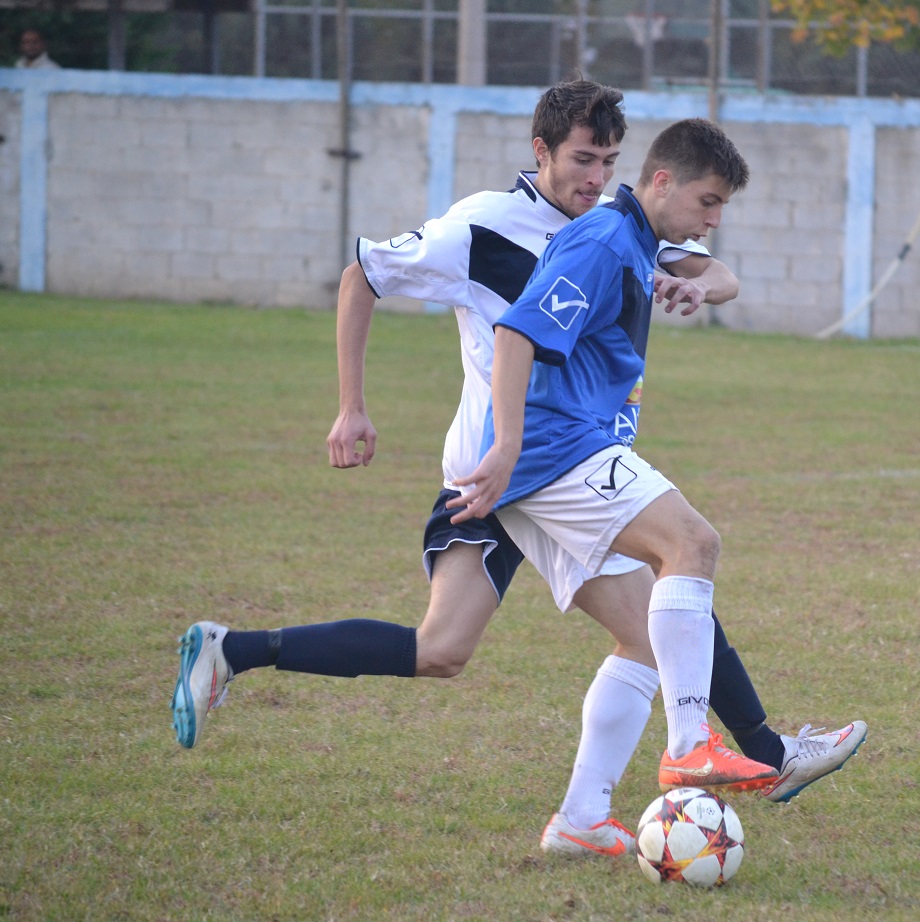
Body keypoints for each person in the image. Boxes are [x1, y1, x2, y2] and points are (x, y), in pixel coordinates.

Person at [171, 83, 865, 856]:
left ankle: (237, 651)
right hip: (518, 460)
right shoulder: (490, 226)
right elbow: (368, 278)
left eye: (607, 160)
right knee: (683, 558)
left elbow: (715, 265)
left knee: (465, 647)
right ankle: (740, 750)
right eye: (580, 159)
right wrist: (351, 406)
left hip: (530, 464)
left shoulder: (621, 225)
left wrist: (691, 282)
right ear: (540, 152)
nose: (595, 175)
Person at [449, 117, 852, 846]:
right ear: (661, 181)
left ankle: (579, 820)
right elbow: (516, 333)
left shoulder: (637, 238)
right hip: (554, 449)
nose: (713, 219)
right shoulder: (605, 241)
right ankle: (689, 741)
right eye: (707, 202)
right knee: (693, 543)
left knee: (643, 637)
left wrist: (692, 287)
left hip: (557, 453)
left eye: (721, 207)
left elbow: (719, 276)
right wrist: (506, 446)